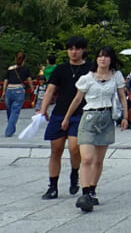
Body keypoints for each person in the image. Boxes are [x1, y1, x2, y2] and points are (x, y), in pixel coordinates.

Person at [61, 46, 129, 212]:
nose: (102, 59)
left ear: (111, 59)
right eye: (100, 56)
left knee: (98, 160)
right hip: (89, 118)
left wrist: (126, 117)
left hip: (106, 118)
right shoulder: (87, 78)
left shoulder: (116, 76)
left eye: (106, 56)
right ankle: (84, 194)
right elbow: (78, 99)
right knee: (87, 159)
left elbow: (122, 97)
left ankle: (92, 189)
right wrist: (67, 117)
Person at [37, 36, 89, 200]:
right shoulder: (60, 69)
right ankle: (53, 186)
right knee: (56, 150)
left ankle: (75, 172)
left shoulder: (90, 68)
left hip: (80, 114)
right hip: (59, 112)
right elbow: (50, 90)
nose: (73, 52)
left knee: (74, 148)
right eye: (70, 49)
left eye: (77, 48)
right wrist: (43, 109)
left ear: (83, 50)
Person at [2, 51, 35, 137]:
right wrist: (32, 89)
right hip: (19, 90)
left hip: (9, 89)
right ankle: (9, 130)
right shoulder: (26, 69)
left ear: (15, 58)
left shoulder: (10, 69)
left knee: (9, 111)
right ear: (25, 59)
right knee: (15, 111)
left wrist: (3, 91)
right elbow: (29, 80)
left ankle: (10, 128)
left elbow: (6, 80)